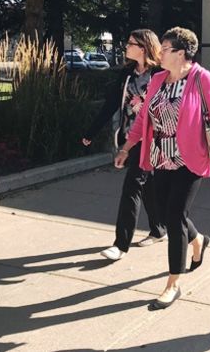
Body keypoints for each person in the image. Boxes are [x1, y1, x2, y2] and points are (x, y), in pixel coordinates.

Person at [116, 26, 210, 310]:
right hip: (160, 156)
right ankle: (198, 239)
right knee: (166, 213)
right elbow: (142, 120)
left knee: (175, 216)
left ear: (181, 53)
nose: (160, 53)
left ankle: (172, 283)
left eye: (164, 49)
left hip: (190, 159)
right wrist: (127, 147)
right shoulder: (159, 79)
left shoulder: (202, 79)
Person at [82, 29, 166, 261]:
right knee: (145, 184)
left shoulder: (161, 73)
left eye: (130, 43)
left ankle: (120, 245)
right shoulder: (127, 74)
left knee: (132, 185)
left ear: (143, 47)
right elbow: (111, 104)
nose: (126, 47)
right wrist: (91, 131)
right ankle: (159, 228)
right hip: (130, 137)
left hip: (153, 140)